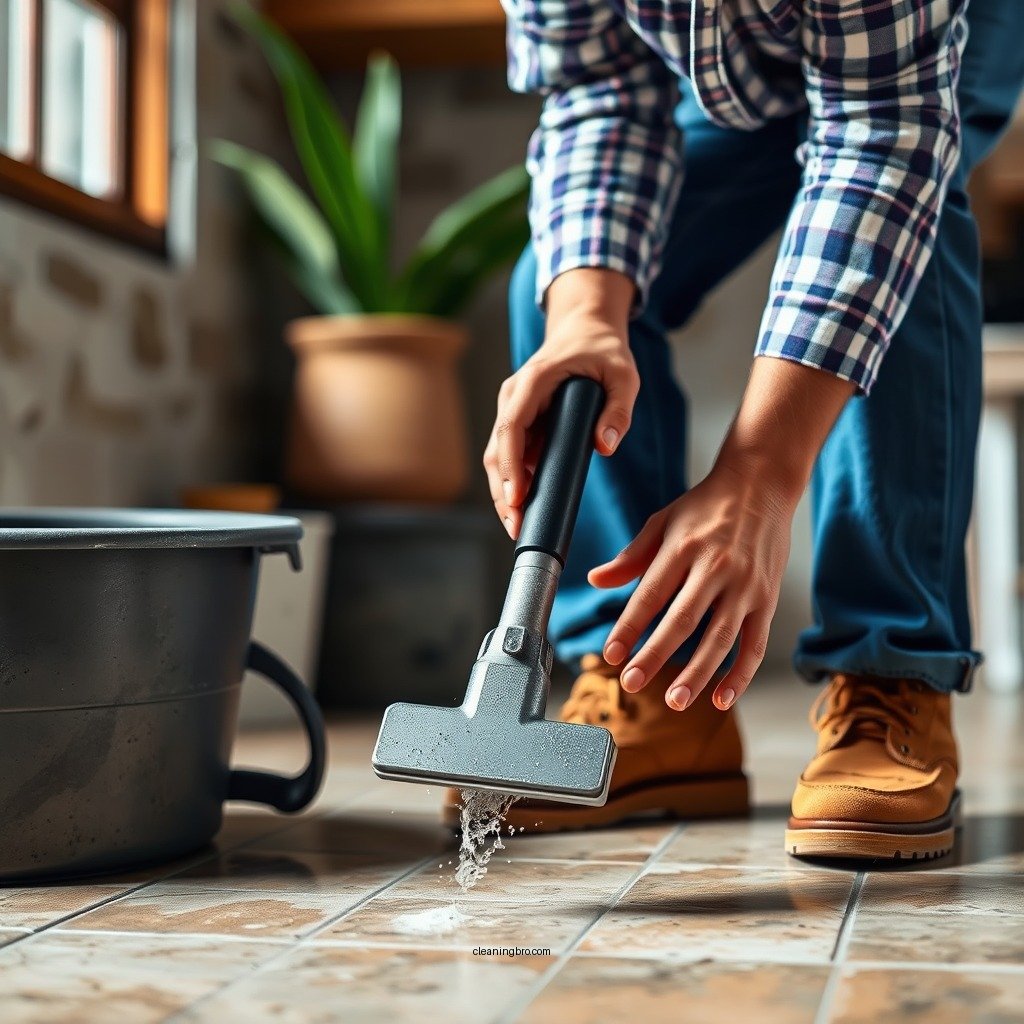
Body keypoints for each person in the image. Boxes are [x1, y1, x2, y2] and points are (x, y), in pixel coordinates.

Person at [442, 0, 1024, 859]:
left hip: (919, 52)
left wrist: (760, 476)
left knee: (911, 232)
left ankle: (889, 670)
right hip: (739, 58)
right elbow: (598, 88)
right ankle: (651, 684)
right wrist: (587, 322)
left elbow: (884, 131)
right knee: (568, 278)